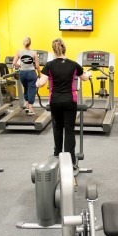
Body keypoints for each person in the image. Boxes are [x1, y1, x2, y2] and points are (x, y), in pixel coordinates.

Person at [36, 38, 91, 170]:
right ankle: (70, 161)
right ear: (64, 49)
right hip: (69, 100)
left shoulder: (49, 65)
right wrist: (89, 73)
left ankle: (56, 156)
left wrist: (35, 82)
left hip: (55, 101)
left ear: (53, 50)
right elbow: (84, 78)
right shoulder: (73, 64)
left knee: (58, 128)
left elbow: (41, 83)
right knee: (69, 130)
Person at [13, 37, 40, 116]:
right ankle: (31, 109)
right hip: (31, 73)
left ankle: (27, 105)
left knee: (26, 88)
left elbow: (14, 63)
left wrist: (20, 66)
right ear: (30, 43)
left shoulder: (19, 52)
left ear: (23, 43)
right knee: (32, 90)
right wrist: (39, 74)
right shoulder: (34, 53)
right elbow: (37, 66)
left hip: (22, 73)